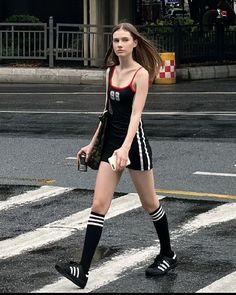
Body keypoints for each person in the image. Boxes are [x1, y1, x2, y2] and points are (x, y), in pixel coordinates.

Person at [55, 22, 177, 289]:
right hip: (112, 144)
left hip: (134, 145)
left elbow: (136, 115)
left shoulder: (141, 74)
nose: (119, 44)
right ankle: (82, 270)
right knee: (99, 205)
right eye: (115, 40)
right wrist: (92, 144)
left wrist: (125, 148)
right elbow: (107, 112)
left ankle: (168, 253)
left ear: (134, 43)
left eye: (124, 40)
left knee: (150, 203)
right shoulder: (111, 72)